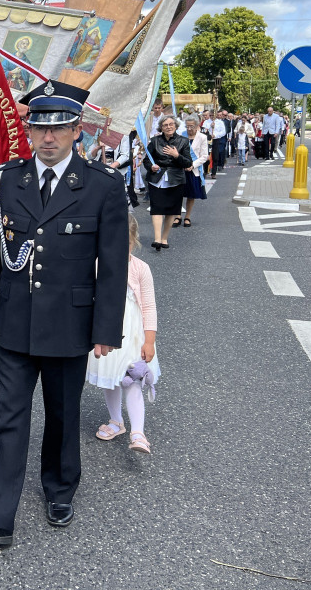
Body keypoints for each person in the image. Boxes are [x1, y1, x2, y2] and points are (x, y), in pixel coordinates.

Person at [0, 81, 129, 547]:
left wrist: (106, 329)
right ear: (28, 131)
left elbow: (114, 267)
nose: (47, 138)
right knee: (8, 416)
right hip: (14, 320)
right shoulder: (8, 180)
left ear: (76, 131)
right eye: (38, 128)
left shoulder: (102, 186)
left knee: (62, 413)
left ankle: (59, 486)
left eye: (58, 129)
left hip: (71, 324)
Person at [87, 213, 159, 453]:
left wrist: (150, 341)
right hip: (107, 332)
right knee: (110, 379)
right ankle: (116, 421)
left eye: (125, 243)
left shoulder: (140, 269)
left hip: (133, 336)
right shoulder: (96, 264)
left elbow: (148, 306)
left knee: (132, 380)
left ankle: (138, 432)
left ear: (134, 240)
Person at [145, 115, 191, 250]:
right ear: (161, 128)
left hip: (175, 179)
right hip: (157, 179)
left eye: (171, 124)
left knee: (172, 210)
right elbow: (147, 160)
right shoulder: (154, 141)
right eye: (165, 125)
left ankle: (164, 238)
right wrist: (151, 166)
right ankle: (157, 239)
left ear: (176, 126)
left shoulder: (183, 141)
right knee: (157, 208)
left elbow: (188, 162)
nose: (169, 127)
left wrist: (176, 155)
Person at [177, 115, 208, 227]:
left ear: (197, 126)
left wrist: (192, 165)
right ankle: (178, 215)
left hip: (194, 169)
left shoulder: (202, 137)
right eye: (187, 126)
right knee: (178, 194)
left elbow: (204, 156)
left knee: (191, 194)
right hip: (181, 169)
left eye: (191, 126)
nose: (189, 129)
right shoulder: (181, 136)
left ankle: (188, 217)